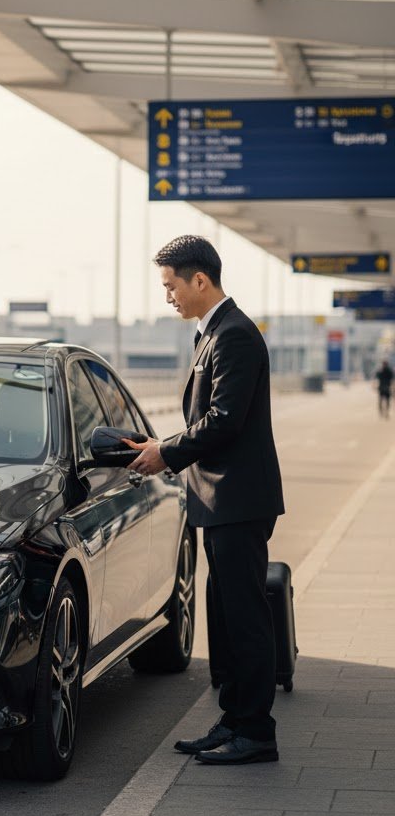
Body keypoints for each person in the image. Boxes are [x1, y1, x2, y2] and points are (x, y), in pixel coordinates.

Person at [124, 235, 285, 765]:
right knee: (228, 613)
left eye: (171, 285)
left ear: (201, 280)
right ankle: (236, 718)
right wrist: (164, 447)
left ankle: (256, 731)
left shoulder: (234, 335)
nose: (167, 296)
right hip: (221, 499)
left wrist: (164, 453)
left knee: (245, 618)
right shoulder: (211, 333)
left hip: (237, 499)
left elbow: (222, 421)